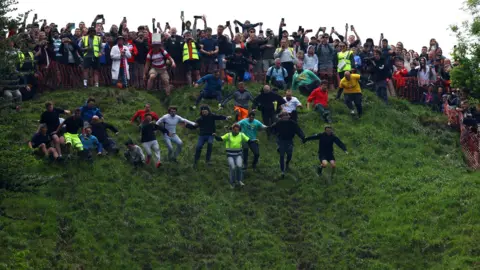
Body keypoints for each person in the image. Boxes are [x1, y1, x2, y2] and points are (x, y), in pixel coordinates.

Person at [214, 123, 255, 188]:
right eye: (234, 130)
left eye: (237, 130)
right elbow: (220, 139)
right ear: (232, 129)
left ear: (239, 130)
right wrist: (215, 136)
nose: (236, 131)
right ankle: (232, 183)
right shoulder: (228, 135)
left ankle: (239, 180)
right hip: (230, 155)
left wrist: (254, 141)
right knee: (232, 168)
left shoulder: (241, 135)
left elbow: (248, 141)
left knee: (239, 166)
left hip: (238, 154)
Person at [267, 112, 305, 177]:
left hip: (289, 140)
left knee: (289, 154)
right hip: (281, 140)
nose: (285, 117)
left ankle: (287, 162)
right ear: (281, 117)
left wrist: (302, 137)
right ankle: (282, 171)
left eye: (286, 115)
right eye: (283, 116)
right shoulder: (278, 123)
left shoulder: (292, 123)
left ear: (289, 116)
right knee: (282, 155)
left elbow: (298, 130)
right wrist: (272, 128)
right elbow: (272, 130)